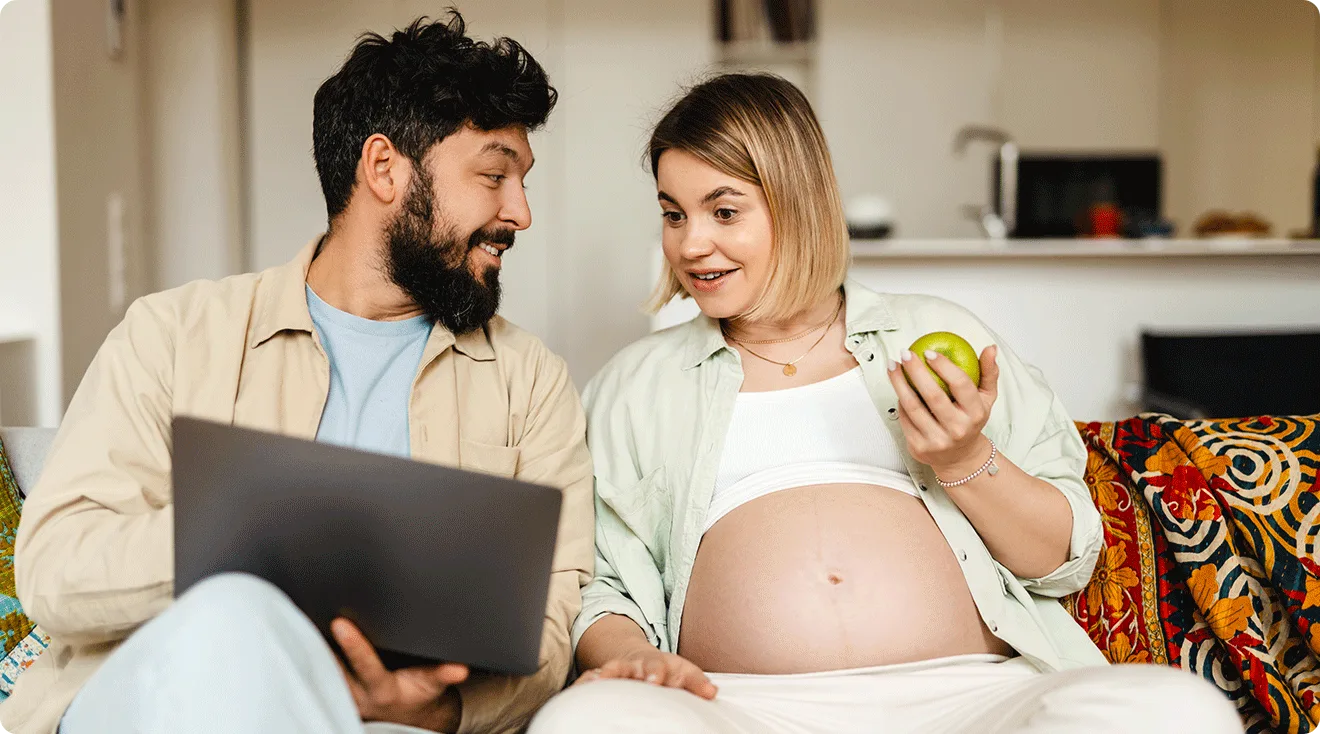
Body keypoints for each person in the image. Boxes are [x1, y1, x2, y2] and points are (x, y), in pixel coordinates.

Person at [529, 73, 1242, 733]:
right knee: (581, 724)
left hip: (974, 696)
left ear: (799, 201)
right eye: (673, 214)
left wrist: (965, 458)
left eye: (723, 210)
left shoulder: (942, 336)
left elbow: (1062, 560)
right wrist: (633, 659)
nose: (692, 243)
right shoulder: (634, 384)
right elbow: (604, 585)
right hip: (739, 709)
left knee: (1181, 710)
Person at [3, 13, 593, 734]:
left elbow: (555, 618)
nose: (521, 213)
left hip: (389, 726)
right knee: (233, 618)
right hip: (157, 701)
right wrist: (253, 547)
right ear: (384, 169)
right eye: (494, 176)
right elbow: (54, 571)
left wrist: (447, 708)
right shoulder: (174, 335)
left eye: (521, 183)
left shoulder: (529, 382)